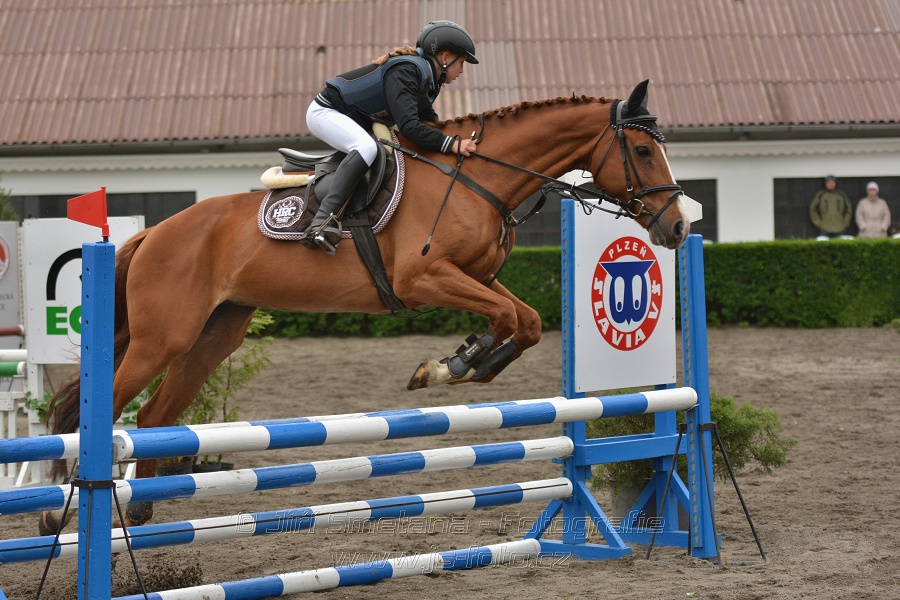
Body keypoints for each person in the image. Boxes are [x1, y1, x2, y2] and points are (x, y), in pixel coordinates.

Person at [302, 20, 479, 254]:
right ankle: (322, 222)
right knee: (366, 148)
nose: (462, 71)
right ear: (445, 57)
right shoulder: (407, 71)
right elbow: (410, 127)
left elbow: (430, 124)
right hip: (326, 112)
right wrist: (452, 145)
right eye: (462, 62)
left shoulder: (428, 80)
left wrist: (457, 141)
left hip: (353, 119)